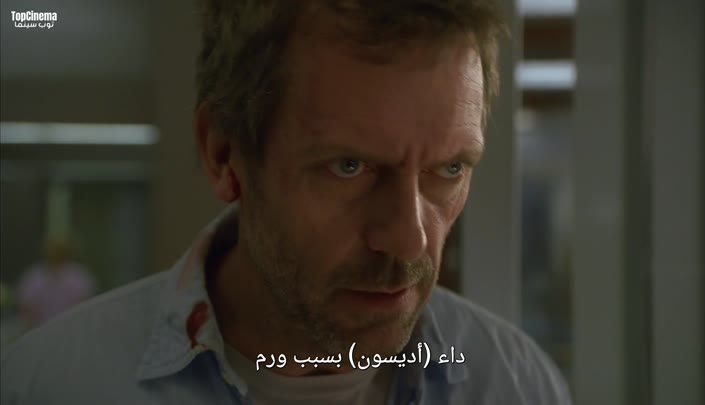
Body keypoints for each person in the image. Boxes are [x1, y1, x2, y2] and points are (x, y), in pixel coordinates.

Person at [1, 1, 572, 404]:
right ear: (224, 154)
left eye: (449, 169)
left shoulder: (515, 384)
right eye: (348, 166)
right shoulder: (51, 385)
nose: (408, 240)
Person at [15, 235, 96, 330]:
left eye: (58, 246)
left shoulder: (79, 276)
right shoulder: (33, 277)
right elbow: (27, 312)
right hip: (40, 332)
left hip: (72, 330)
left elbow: (84, 309)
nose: (54, 250)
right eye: (51, 246)